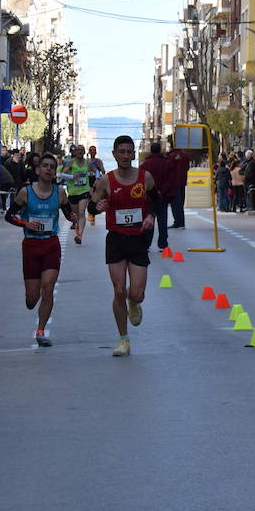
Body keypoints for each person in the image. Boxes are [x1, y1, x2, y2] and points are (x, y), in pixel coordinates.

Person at [92, 135, 156, 356]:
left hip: (138, 239)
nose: (126, 156)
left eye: (130, 152)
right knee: (119, 291)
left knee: (136, 293)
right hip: (116, 239)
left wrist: (152, 217)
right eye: (122, 152)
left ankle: (134, 303)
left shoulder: (145, 177)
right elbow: (91, 207)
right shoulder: (106, 181)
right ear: (114, 154)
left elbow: (156, 201)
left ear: (134, 154)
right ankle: (123, 340)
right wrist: (98, 206)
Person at [5, 152, 76, 347]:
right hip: (31, 246)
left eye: (52, 167)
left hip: (51, 244)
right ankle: (31, 299)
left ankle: (40, 331)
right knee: (32, 297)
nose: (48, 169)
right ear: (37, 170)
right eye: (45, 166)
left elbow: (68, 212)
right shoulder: (25, 193)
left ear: (55, 172)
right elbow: (9, 216)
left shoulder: (59, 193)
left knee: (48, 287)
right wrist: (25, 224)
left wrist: (73, 218)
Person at [59, 146, 93, 245]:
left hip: (84, 191)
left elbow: (96, 171)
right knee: (76, 214)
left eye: (82, 150)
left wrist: (96, 179)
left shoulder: (87, 163)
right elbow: (61, 175)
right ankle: (77, 228)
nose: (80, 152)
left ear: (84, 152)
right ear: (75, 152)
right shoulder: (71, 163)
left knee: (82, 212)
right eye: (78, 150)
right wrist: (72, 176)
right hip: (73, 192)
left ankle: (79, 235)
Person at [141, 141, 171, 250]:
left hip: (149, 198)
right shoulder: (167, 163)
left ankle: (147, 244)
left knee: (149, 220)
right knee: (162, 221)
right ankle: (163, 244)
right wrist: (162, 192)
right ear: (159, 150)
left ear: (151, 150)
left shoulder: (145, 164)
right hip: (163, 197)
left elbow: (142, 181)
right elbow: (169, 180)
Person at [165, 141, 190, 229]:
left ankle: (178, 223)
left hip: (173, 183)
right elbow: (187, 168)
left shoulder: (170, 156)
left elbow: (167, 169)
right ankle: (181, 222)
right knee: (181, 203)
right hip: (182, 182)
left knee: (175, 204)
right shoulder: (185, 156)